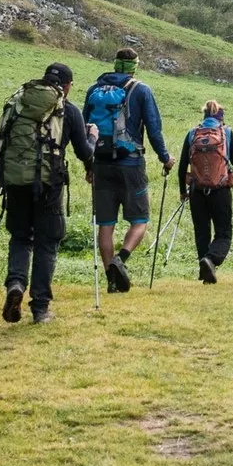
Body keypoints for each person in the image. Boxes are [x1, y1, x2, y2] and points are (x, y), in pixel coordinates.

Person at [0, 62, 95, 324]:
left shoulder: (19, 103)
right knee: (47, 243)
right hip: (49, 186)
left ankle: (15, 283)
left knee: (20, 237)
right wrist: (92, 136)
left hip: (15, 181)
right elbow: (85, 152)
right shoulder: (69, 111)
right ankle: (40, 308)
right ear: (68, 86)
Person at [83, 47, 175, 293]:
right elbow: (154, 129)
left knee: (105, 224)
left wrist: (88, 165)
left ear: (114, 64)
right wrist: (165, 158)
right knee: (140, 219)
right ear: (135, 65)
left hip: (101, 164)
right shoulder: (141, 90)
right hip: (131, 164)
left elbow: (86, 131)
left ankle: (111, 281)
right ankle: (119, 260)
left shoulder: (93, 90)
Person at [179, 99, 233, 284]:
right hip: (221, 191)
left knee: (201, 231)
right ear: (220, 118)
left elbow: (183, 166)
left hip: (197, 191)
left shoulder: (192, 134)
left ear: (204, 115)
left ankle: (203, 270)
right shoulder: (227, 132)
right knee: (223, 232)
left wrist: (183, 191)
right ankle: (211, 260)